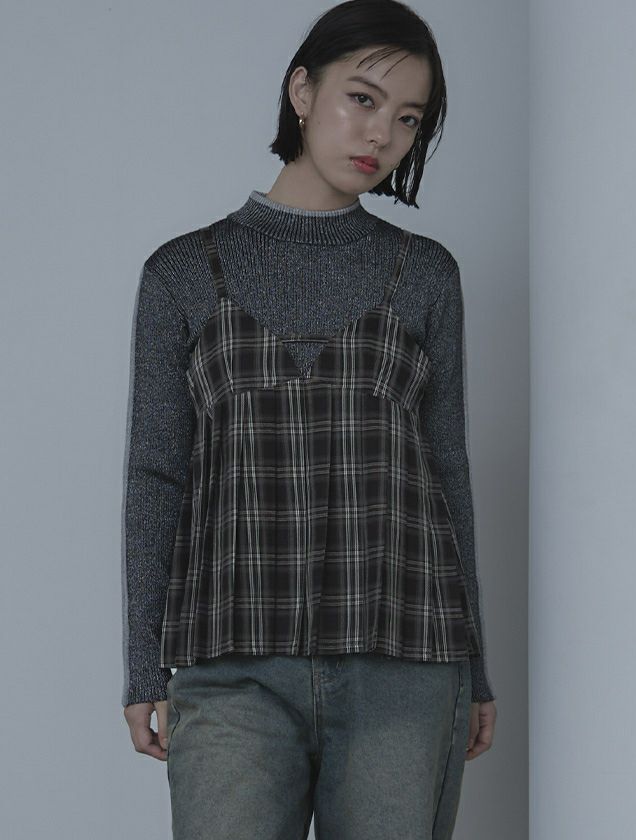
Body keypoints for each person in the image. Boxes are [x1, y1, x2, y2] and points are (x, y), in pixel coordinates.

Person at [121, 1, 496, 837]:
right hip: (230, 668)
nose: (382, 134)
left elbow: (448, 473)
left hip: (406, 663)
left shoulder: (426, 275)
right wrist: (142, 666)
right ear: (302, 90)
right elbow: (156, 475)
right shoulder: (180, 275)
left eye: (409, 118)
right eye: (362, 98)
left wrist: (476, 670)